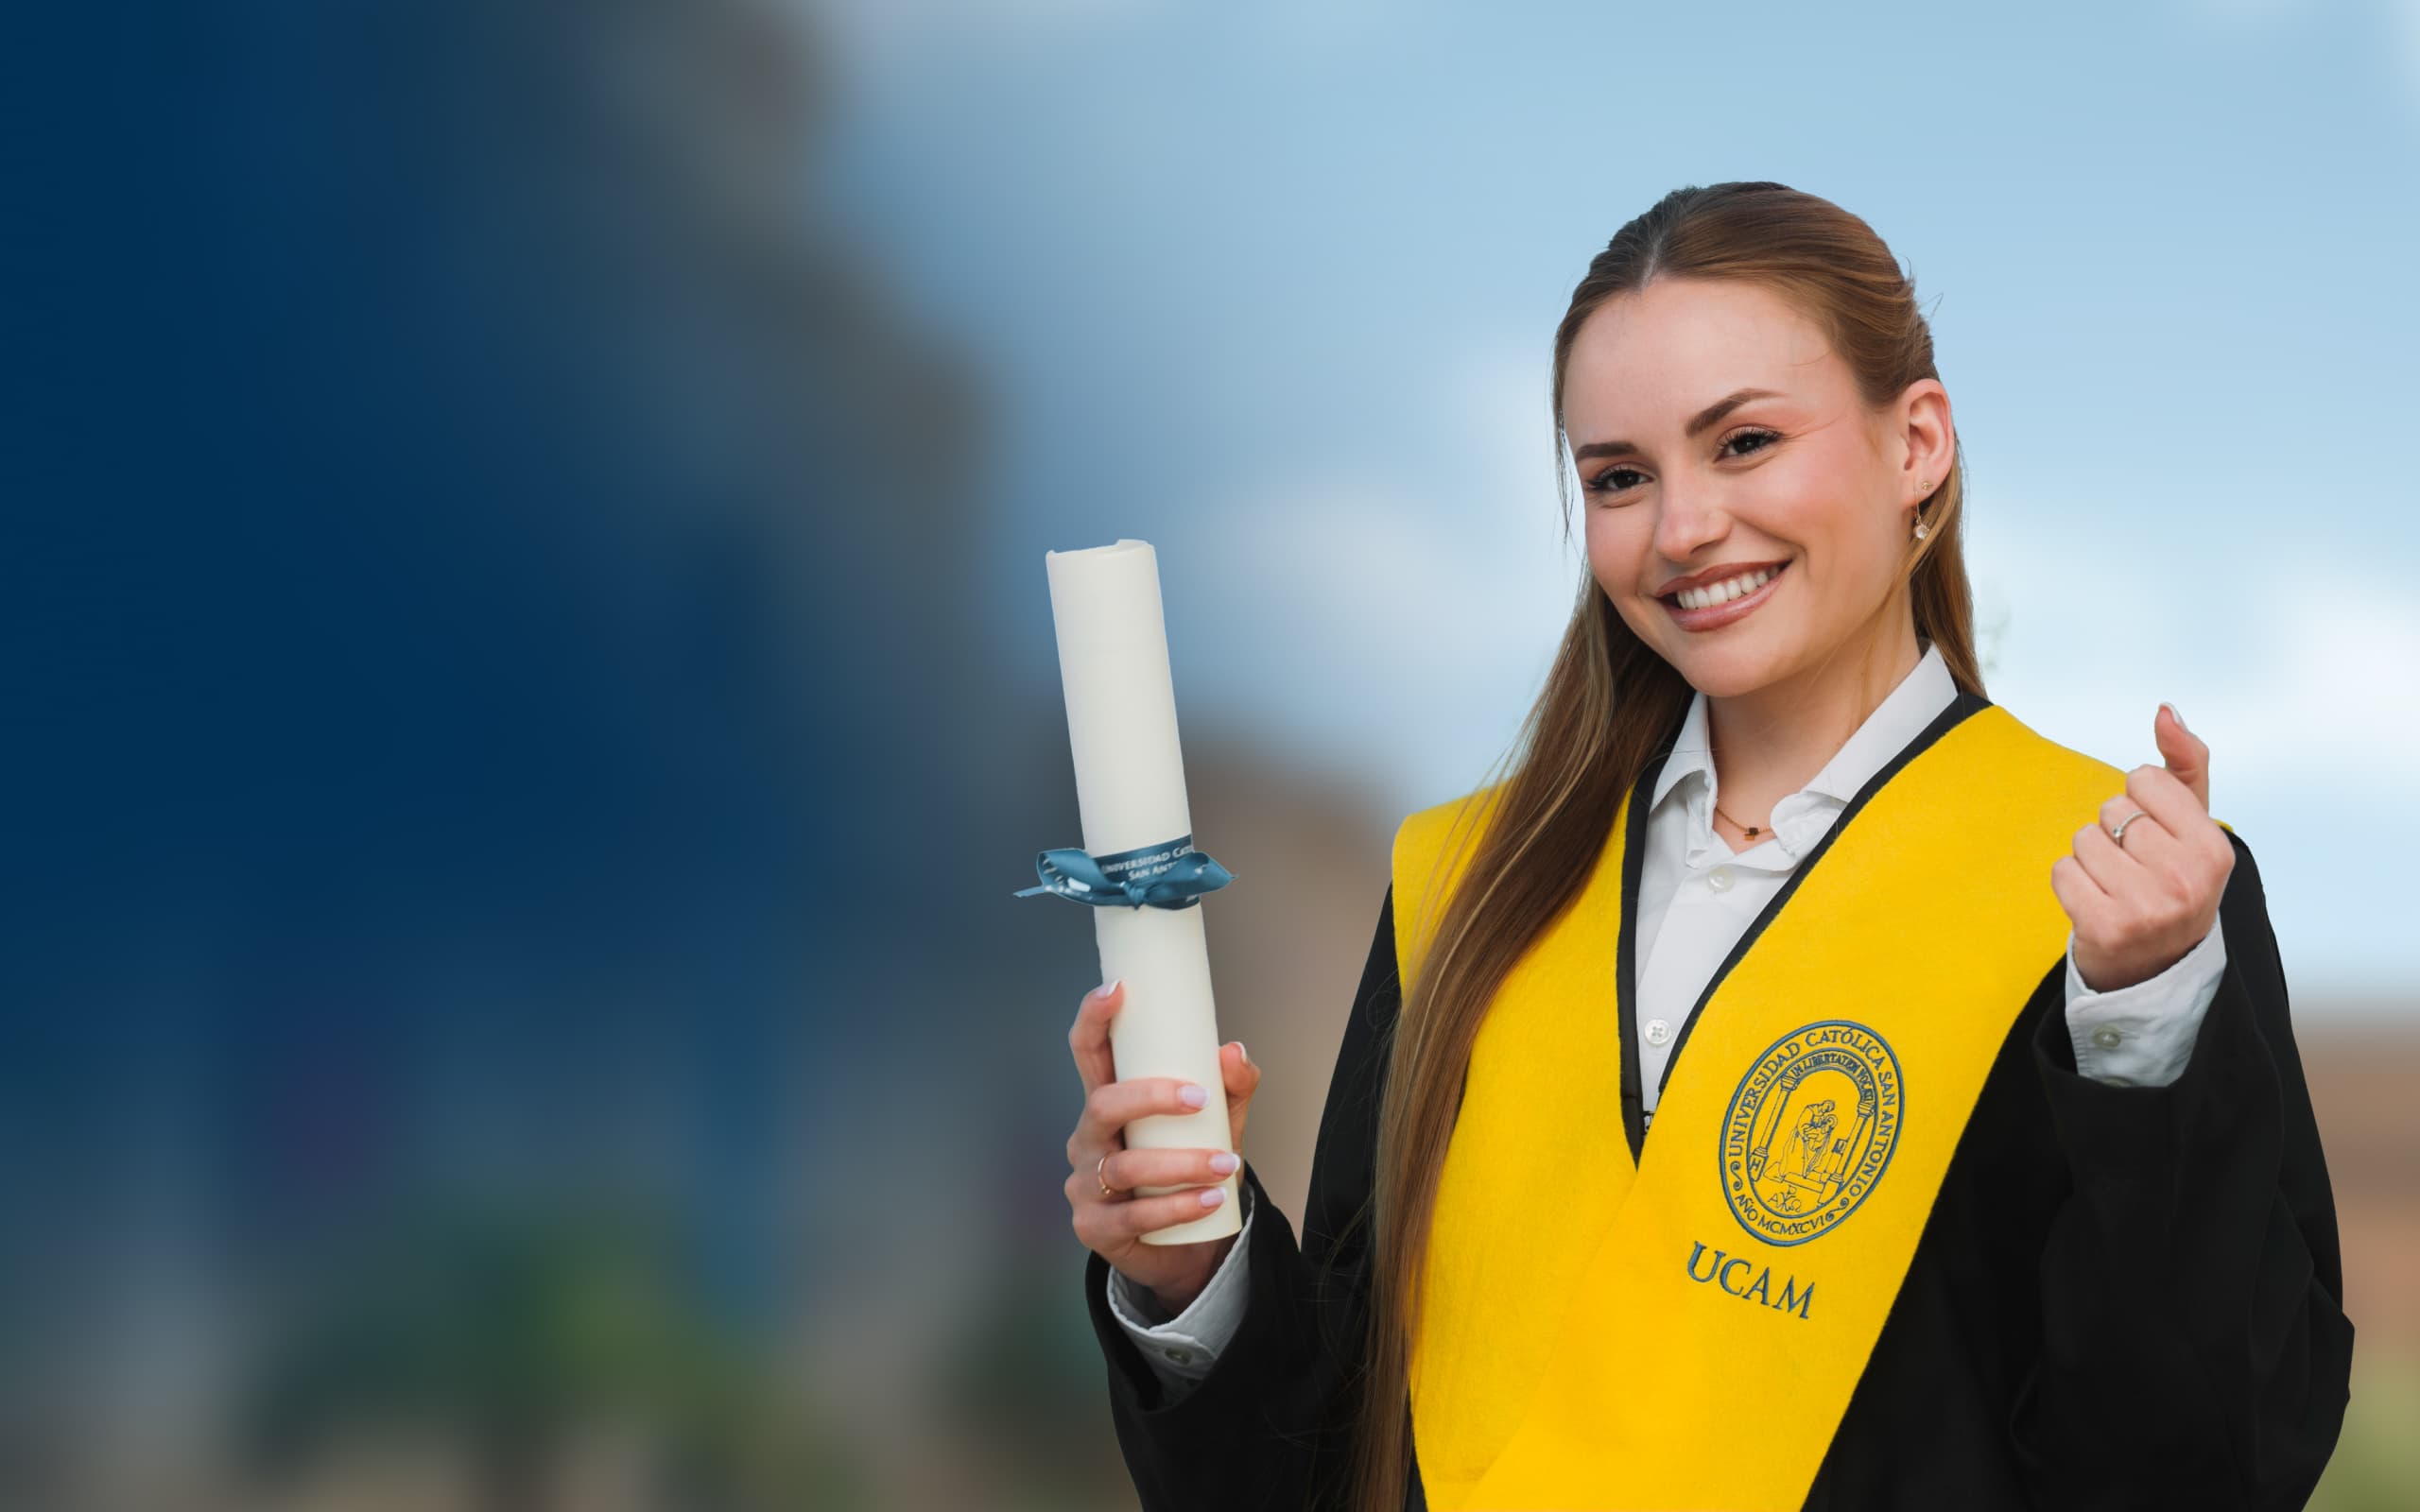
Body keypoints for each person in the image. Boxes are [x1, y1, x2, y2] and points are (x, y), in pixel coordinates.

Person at [1061, 180, 2354, 1511]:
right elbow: (1330, 1457)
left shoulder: (2109, 894)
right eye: (1619, 477)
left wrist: (2145, 1028)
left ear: (1918, 443)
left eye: (1742, 443)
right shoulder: (1466, 887)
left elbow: (2206, 1468)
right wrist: (1191, 1276)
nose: (1680, 531)